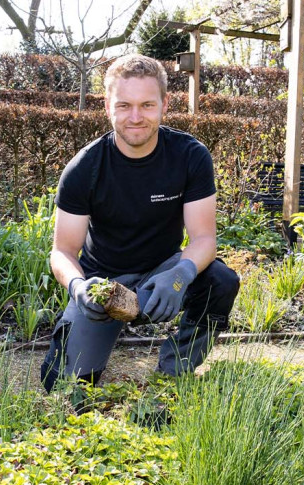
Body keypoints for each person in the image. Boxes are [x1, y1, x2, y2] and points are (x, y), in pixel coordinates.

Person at [41, 54, 240, 392]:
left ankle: (175, 372)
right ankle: (80, 356)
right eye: (124, 105)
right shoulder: (84, 168)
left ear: (164, 104)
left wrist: (180, 275)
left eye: (147, 105)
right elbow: (62, 251)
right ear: (107, 106)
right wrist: (79, 288)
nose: (135, 117)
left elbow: (204, 238)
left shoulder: (189, 156)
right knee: (60, 385)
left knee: (220, 280)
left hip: (162, 275)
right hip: (102, 287)